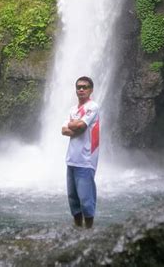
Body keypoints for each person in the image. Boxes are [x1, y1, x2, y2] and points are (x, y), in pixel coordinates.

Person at [61, 76, 100, 229]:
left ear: (91, 90)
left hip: (86, 159)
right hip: (71, 159)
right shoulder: (72, 109)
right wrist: (73, 126)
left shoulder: (93, 107)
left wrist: (73, 126)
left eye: (85, 87)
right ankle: (77, 229)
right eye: (79, 87)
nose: (81, 89)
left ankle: (89, 231)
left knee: (86, 199)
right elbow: (64, 130)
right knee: (73, 199)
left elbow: (82, 126)